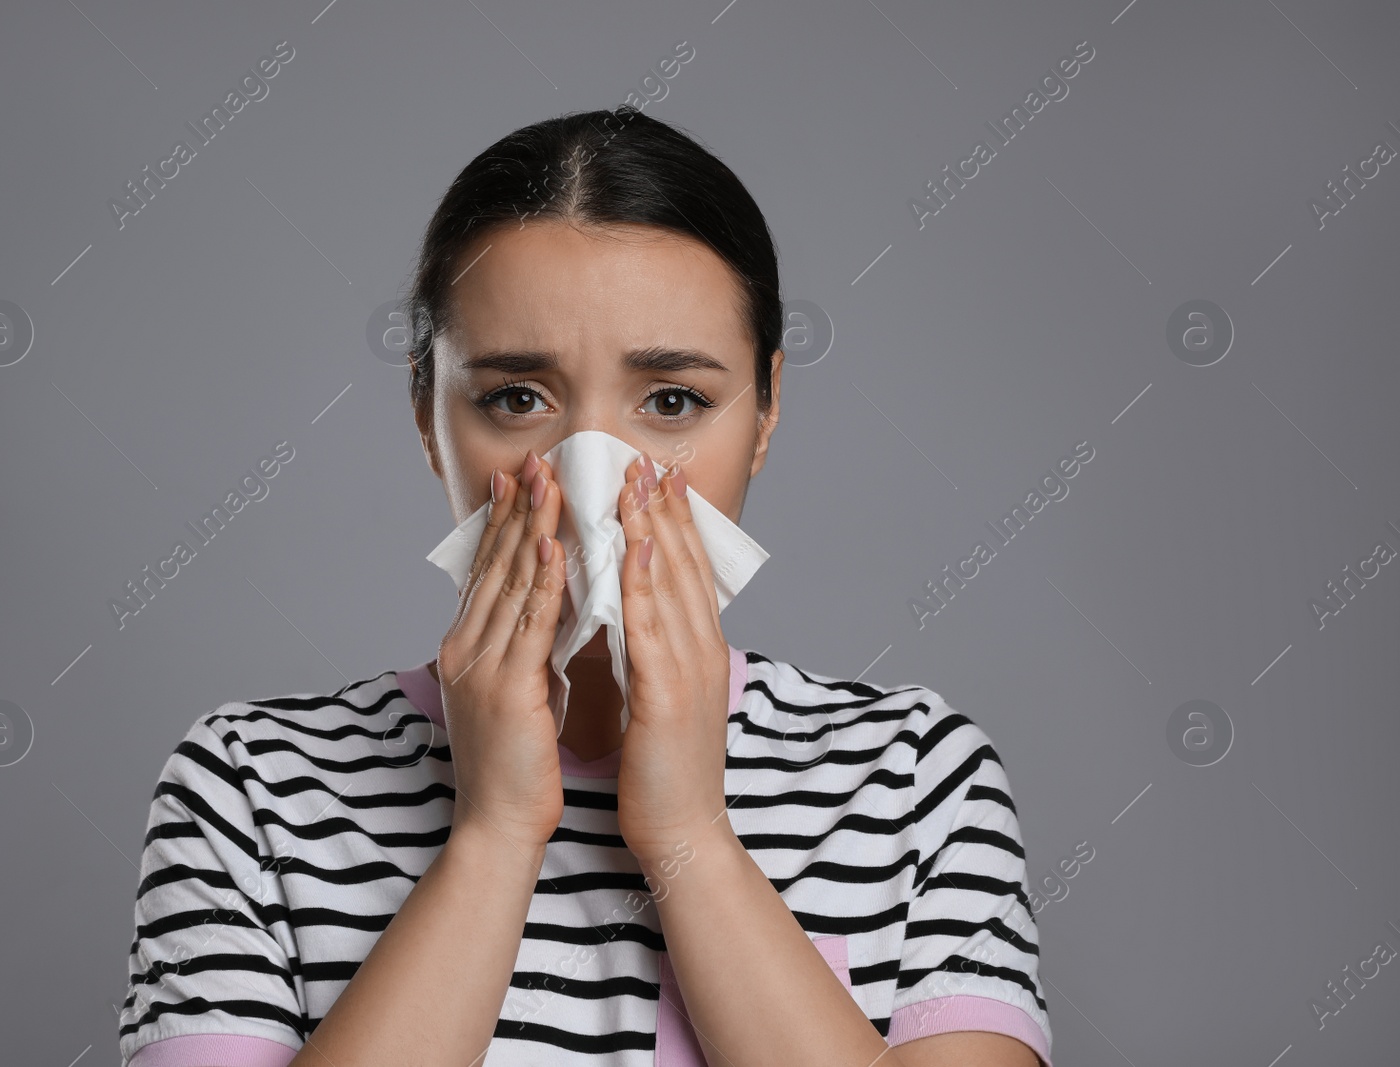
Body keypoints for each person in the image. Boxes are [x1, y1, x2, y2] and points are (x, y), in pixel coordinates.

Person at [117, 105, 1053, 1067]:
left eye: (673, 400)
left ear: (765, 411)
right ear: (427, 415)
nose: (588, 475)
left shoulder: (913, 779)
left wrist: (691, 835)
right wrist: (491, 835)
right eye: (517, 398)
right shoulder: (250, 789)